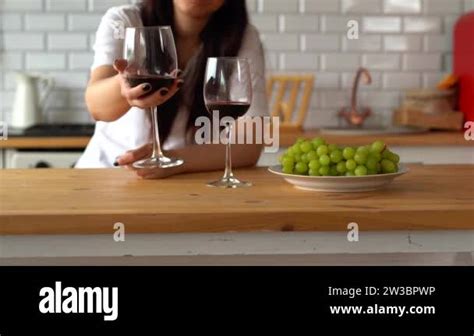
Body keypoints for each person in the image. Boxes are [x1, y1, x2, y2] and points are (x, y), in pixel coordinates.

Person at [75, 0, 268, 179]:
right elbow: (97, 107)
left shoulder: (242, 36)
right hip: (104, 174)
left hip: (181, 184)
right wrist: (123, 87)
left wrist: (173, 159)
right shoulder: (124, 20)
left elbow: (250, 143)